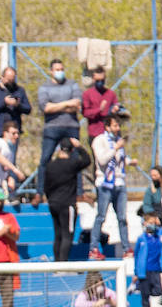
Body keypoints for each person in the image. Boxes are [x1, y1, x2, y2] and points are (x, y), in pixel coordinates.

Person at [35, 58, 83, 198]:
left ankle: (79, 192)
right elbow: (46, 108)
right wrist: (67, 104)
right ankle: (40, 192)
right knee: (45, 159)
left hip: (71, 127)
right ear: (51, 71)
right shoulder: (44, 87)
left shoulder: (72, 84)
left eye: (61, 69)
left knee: (75, 159)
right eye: (57, 70)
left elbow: (77, 105)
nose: (60, 72)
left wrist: (55, 106)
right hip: (52, 128)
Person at [42, 135, 90, 262]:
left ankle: (57, 264)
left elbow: (46, 186)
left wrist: (50, 199)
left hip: (53, 203)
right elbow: (87, 160)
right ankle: (62, 265)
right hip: (67, 204)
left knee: (57, 235)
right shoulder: (72, 164)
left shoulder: (50, 165)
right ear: (72, 150)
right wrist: (79, 146)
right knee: (67, 235)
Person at [89, 115, 129, 258]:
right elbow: (102, 159)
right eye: (114, 126)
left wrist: (130, 161)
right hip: (105, 183)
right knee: (101, 216)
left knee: (123, 217)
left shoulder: (117, 141)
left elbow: (120, 161)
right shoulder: (99, 140)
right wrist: (115, 148)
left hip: (120, 183)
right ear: (107, 127)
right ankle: (93, 248)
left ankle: (126, 248)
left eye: (119, 126)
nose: (117, 129)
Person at [0, 66, 31, 163]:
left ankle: (11, 177)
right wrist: (4, 102)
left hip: (13, 132)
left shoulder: (19, 90)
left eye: (12, 79)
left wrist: (17, 105)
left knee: (10, 160)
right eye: (8, 79)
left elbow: (28, 109)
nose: (10, 82)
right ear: (2, 77)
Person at [134, 213, 162, 307]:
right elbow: (137, 255)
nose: (152, 225)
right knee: (145, 295)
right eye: (150, 223)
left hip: (156, 269)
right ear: (144, 223)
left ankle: (137, 286)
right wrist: (136, 272)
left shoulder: (160, 236)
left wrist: (159, 223)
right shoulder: (141, 239)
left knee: (158, 291)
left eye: (154, 223)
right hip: (144, 271)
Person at [80, 64, 120, 140]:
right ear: (93, 79)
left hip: (110, 133)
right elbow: (85, 113)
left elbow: (118, 107)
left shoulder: (110, 94)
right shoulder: (87, 94)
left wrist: (116, 109)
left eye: (102, 80)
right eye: (98, 80)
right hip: (95, 133)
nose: (100, 83)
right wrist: (99, 109)